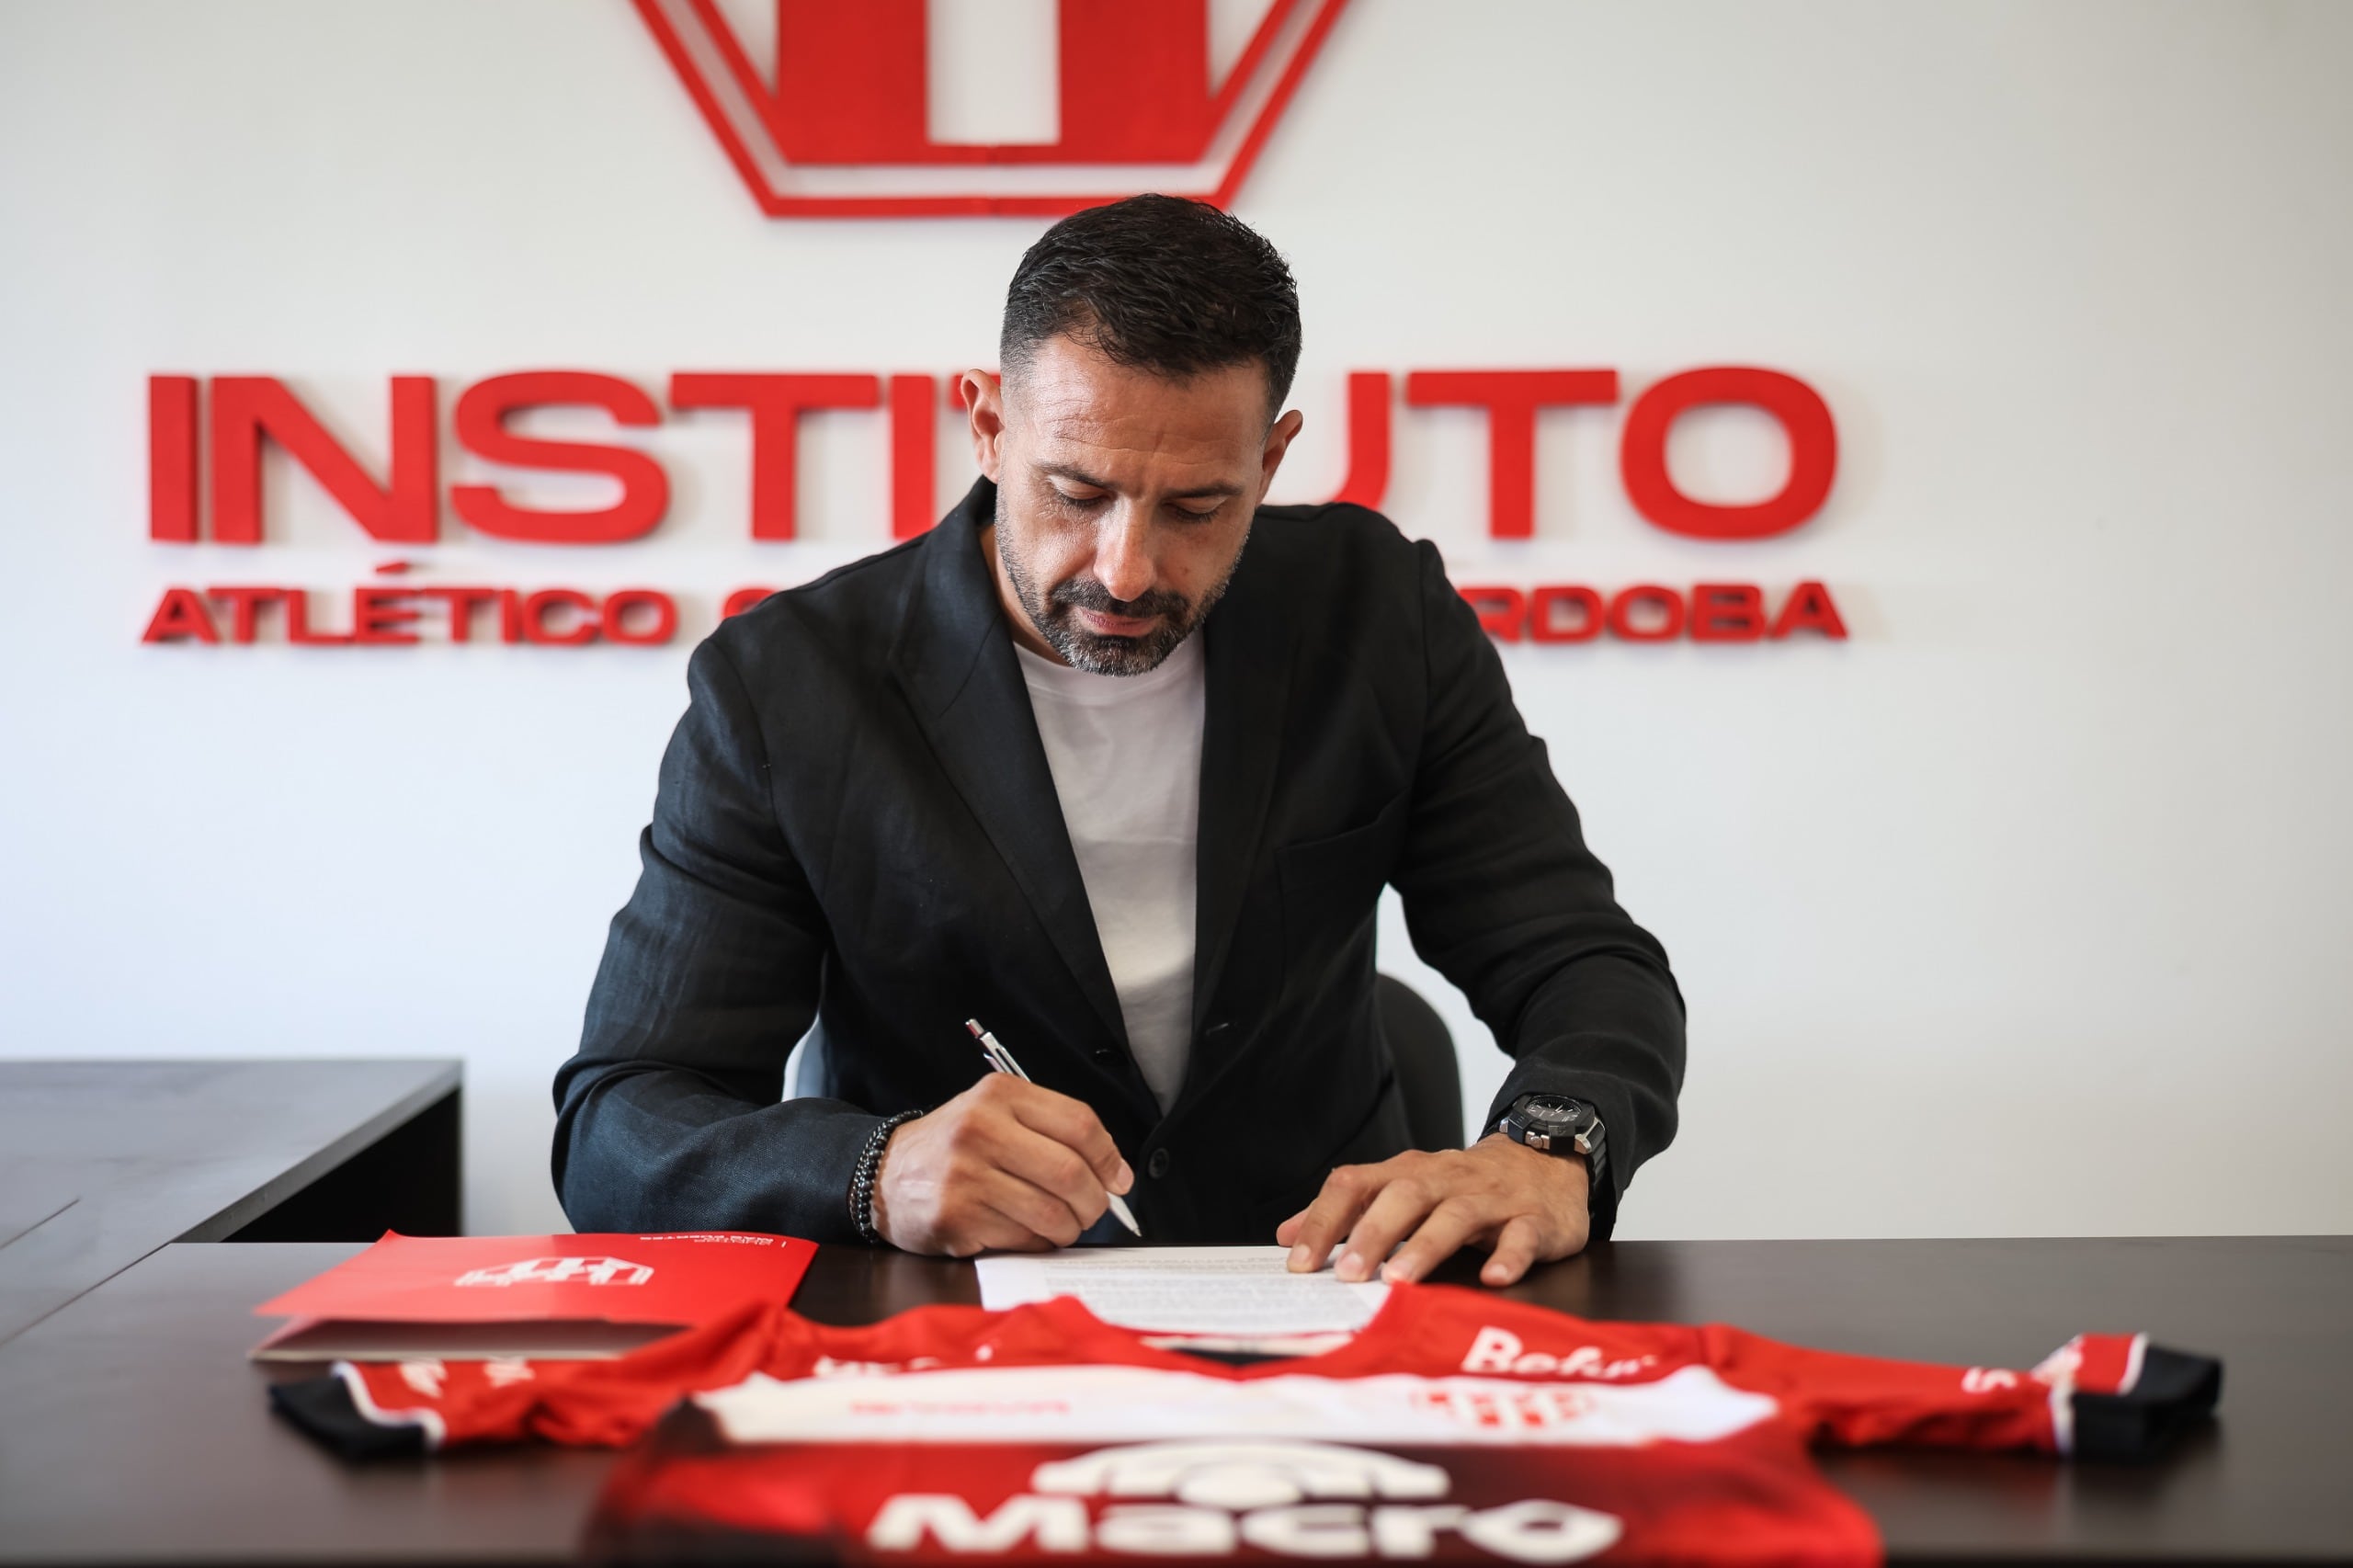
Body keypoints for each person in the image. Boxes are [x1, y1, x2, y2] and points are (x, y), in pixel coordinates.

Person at [553, 195, 1684, 1287]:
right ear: (990, 425)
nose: (1125, 569)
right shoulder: (789, 681)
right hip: (940, 1316)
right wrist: (869, 1172)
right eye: (1075, 491)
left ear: (1272, 462)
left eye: (1196, 507)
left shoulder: (1375, 613)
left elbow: (1578, 959)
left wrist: (1551, 1146)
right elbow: (624, 1117)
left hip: (1312, 1289)